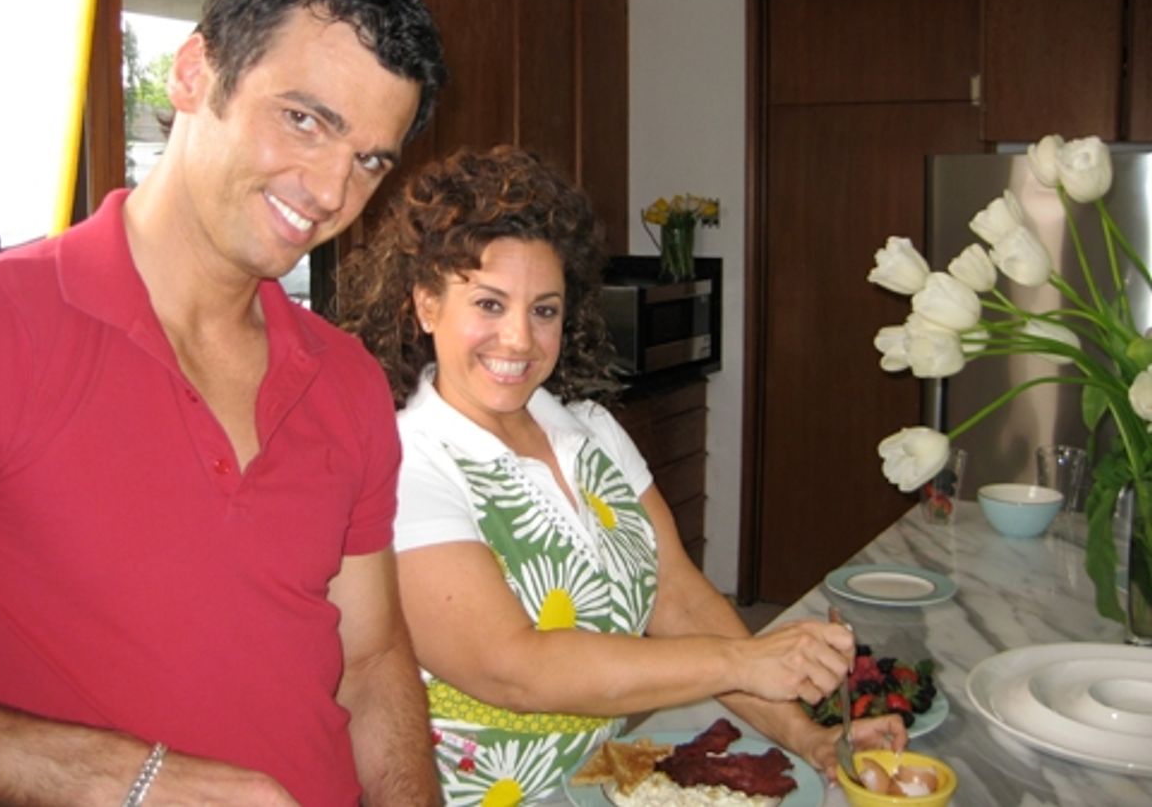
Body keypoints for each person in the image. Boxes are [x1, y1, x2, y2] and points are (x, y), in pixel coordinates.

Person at [0, 0, 446, 807]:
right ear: (191, 74)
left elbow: (370, 661)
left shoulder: (347, 380)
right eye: (305, 118)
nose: (332, 190)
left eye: (371, 158)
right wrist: (131, 780)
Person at [340, 145, 906, 804]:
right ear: (427, 305)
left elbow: (680, 599)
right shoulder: (408, 462)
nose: (519, 340)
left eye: (543, 310)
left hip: (602, 782)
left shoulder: (591, 432)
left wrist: (808, 736)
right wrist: (750, 660)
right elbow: (513, 668)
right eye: (490, 305)